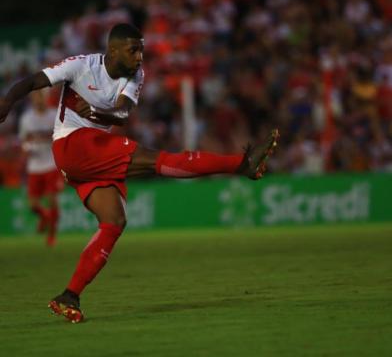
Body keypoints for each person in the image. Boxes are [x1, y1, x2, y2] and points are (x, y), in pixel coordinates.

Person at [0, 23, 279, 323]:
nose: (140, 56)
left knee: (114, 222)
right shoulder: (81, 66)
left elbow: (120, 115)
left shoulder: (136, 75)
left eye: (141, 49)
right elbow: (31, 82)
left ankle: (70, 295)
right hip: (73, 145)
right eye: (134, 50)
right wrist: (5, 104)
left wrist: (92, 114)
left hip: (91, 155)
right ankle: (241, 164)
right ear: (113, 50)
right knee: (159, 160)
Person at [19, 89, 63, 246]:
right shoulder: (26, 119)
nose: (38, 99)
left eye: (41, 96)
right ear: (32, 99)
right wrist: (26, 149)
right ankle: (45, 216)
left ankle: (52, 234)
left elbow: (62, 138)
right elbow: (24, 140)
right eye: (35, 96)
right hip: (34, 166)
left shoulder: (54, 115)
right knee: (33, 205)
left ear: (46, 97)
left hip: (51, 164)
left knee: (52, 198)